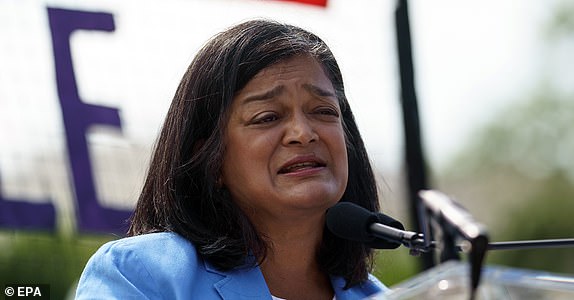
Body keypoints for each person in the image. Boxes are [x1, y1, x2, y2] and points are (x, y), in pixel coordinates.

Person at [75, 19, 388, 300]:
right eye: (267, 117)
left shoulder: (382, 297)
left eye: (323, 111)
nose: (303, 133)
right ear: (209, 159)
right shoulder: (142, 276)